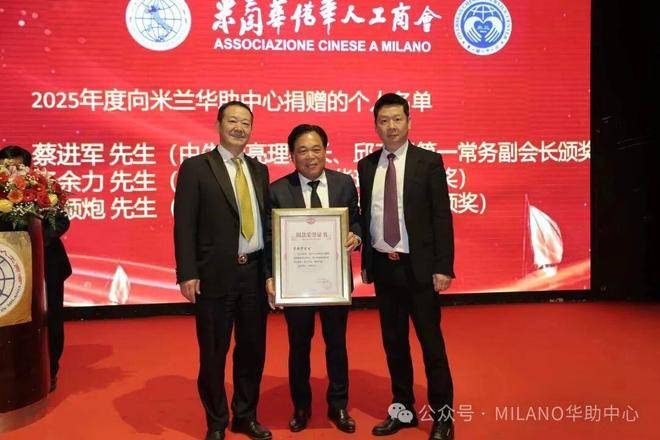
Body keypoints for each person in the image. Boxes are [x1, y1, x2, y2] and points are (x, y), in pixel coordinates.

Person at [357, 94, 456, 440]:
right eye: (384, 120)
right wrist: (366, 262)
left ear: (409, 121)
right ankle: (403, 410)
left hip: (420, 268)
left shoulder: (428, 162)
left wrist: (443, 266)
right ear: (375, 125)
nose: (391, 126)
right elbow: (367, 216)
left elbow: (441, 217)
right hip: (385, 268)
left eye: (397, 119)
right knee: (394, 344)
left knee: (431, 345)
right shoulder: (367, 165)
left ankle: (443, 417)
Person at [173, 102, 272, 440]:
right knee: (214, 352)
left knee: (252, 350)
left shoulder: (259, 170)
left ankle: (245, 415)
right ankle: (216, 421)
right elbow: (184, 224)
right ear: (218, 124)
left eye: (246, 123)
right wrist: (187, 272)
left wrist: (271, 273)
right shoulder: (196, 168)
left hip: (253, 274)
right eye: (232, 121)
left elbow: (267, 224)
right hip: (215, 275)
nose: (239, 128)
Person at [266, 124, 361, 433]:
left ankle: (338, 405)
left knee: (337, 344)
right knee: (299, 347)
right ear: (292, 155)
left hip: (334, 281)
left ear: (325, 150)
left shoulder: (344, 184)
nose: (310, 156)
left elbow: (357, 220)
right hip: (296, 285)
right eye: (303, 151)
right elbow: (270, 239)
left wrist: (356, 236)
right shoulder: (278, 190)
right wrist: (271, 277)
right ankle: (301, 407)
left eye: (316, 149)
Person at [0, 145, 72, 393]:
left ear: (27, 168)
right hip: (9, 271)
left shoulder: (42, 188)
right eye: (6, 166)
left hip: (47, 265)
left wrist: (39, 241)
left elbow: (62, 221)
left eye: (17, 166)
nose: (12, 170)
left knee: (50, 318)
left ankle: (50, 370)